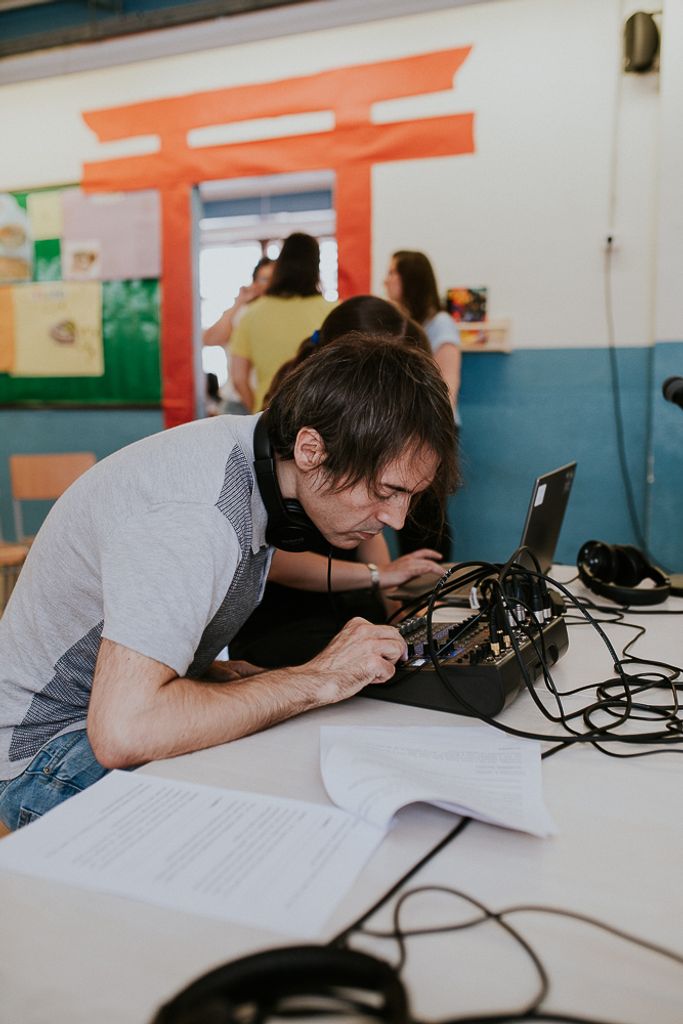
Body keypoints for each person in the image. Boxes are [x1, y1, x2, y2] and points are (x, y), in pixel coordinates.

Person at [0, 336, 458, 831]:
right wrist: (316, 678)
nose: (396, 518)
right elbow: (124, 731)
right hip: (46, 754)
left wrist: (239, 682)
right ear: (310, 450)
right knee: (291, 829)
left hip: (99, 718)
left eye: (410, 496)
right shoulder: (196, 515)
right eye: (387, 491)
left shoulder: (255, 462)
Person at [231, 296, 451, 667]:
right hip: (287, 623)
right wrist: (378, 575)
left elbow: (373, 522)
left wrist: (399, 615)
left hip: (348, 602)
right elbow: (270, 560)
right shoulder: (284, 434)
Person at [384, 250, 462, 559]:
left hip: (432, 433)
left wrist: (428, 438)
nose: (386, 280)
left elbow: (447, 386)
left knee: (428, 518)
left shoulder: (440, 323)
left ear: (410, 279)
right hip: (409, 433)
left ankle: (434, 590)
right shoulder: (404, 322)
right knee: (408, 518)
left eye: (392, 273)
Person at [230, 233, 336, 412]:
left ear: (280, 264)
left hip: (268, 414)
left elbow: (239, 378)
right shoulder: (332, 312)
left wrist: (257, 411)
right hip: (318, 417)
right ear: (316, 266)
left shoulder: (252, 314)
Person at [203, 256, 274, 416]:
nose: (269, 284)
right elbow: (210, 339)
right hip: (238, 405)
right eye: (264, 279)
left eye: (273, 279)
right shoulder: (242, 312)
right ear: (254, 283)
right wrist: (239, 302)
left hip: (269, 404)